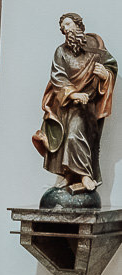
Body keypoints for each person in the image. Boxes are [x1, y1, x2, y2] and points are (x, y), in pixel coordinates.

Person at [32, 12, 116, 194]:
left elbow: (111, 65)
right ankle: (68, 174)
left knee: (74, 135)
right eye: (63, 27)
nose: (66, 29)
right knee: (62, 140)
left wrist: (105, 75)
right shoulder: (60, 52)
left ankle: (84, 174)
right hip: (64, 104)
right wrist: (73, 94)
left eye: (68, 24)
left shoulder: (95, 45)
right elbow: (58, 77)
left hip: (87, 105)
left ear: (78, 25)